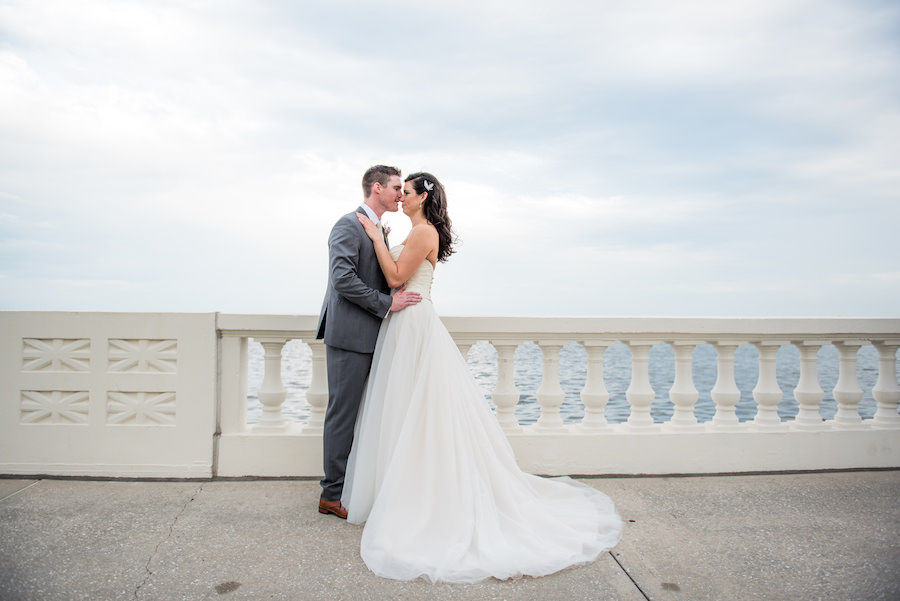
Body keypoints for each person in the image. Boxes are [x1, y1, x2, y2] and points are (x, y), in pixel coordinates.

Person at [342, 172, 623, 583]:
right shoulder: (418, 229)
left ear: (423, 197)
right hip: (403, 324)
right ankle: (400, 489)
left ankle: (426, 497)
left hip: (414, 323)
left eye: (407, 192)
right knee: (404, 409)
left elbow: (397, 278)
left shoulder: (424, 232)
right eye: (398, 192)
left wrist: (375, 237)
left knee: (420, 409)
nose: (400, 197)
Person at [315, 165, 423, 519]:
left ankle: (352, 487)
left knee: (366, 416)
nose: (400, 194)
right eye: (395, 187)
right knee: (342, 415)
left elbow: (375, 275)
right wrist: (387, 302)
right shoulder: (348, 224)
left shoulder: (378, 229)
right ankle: (331, 495)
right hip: (349, 336)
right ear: (377, 188)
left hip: (374, 336)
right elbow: (342, 279)